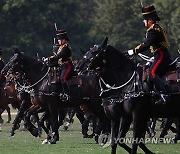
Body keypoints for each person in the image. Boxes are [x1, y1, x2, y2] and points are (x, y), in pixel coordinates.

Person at [128, 5, 172, 104]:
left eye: (145, 19)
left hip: (161, 55)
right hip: (158, 54)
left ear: (150, 20)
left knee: (152, 73)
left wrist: (134, 51)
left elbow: (146, 44)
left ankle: (165, 95)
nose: (144, 21)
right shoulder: (155, 28)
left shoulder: (153, 30)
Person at [48, 29, 74, 98]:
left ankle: (67, 94)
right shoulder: (60, 48)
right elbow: (56, 59)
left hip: (68, 66)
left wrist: (49, 59)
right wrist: (47, 64)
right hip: (62, 67)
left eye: (59, 39)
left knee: (63, 78)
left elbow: (58, 56)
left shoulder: (66, 48)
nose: (58, 41)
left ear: (64, 39)